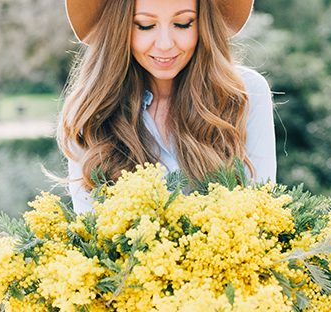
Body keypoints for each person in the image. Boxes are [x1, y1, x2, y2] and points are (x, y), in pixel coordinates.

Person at [58, 0, 276, 213]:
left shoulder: (245, 93)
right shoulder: (89, 110)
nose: (165, 44)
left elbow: (261, 208)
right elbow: (90, 229)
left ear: (203, 23)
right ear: (120, 26)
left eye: (183, 23)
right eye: (145, 25)